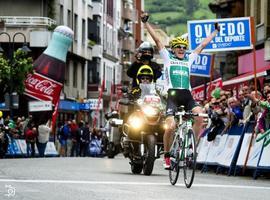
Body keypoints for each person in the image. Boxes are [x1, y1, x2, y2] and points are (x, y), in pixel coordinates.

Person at [141, 12, 220, 169]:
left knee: (200, 116)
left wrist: (215, 32)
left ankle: (192, 146)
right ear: (174, 49)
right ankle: (168, 156)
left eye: (184, 48)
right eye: (179, 48)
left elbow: (203, 45)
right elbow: (157, 40)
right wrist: (145, 23)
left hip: (187, 96)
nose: (182, 50)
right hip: (173, 96)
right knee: (169, 126)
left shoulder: (189, 59)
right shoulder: (168, 58)